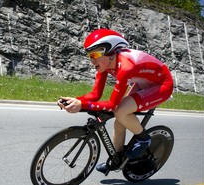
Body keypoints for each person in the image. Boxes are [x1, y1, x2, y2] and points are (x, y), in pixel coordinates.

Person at [58, 28, 173, 174]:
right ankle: (117, 159)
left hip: (162, 85)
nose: (92, 60)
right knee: (120, 120)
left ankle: (144, 139)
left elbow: (112, 104)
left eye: (95, 54)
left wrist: (82, 105)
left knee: (120, 111)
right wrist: (76, 100)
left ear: (110, 53)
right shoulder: (104, 65)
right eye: (89, 55)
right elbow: (95, 95)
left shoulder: (126, 66)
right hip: (143, 81)